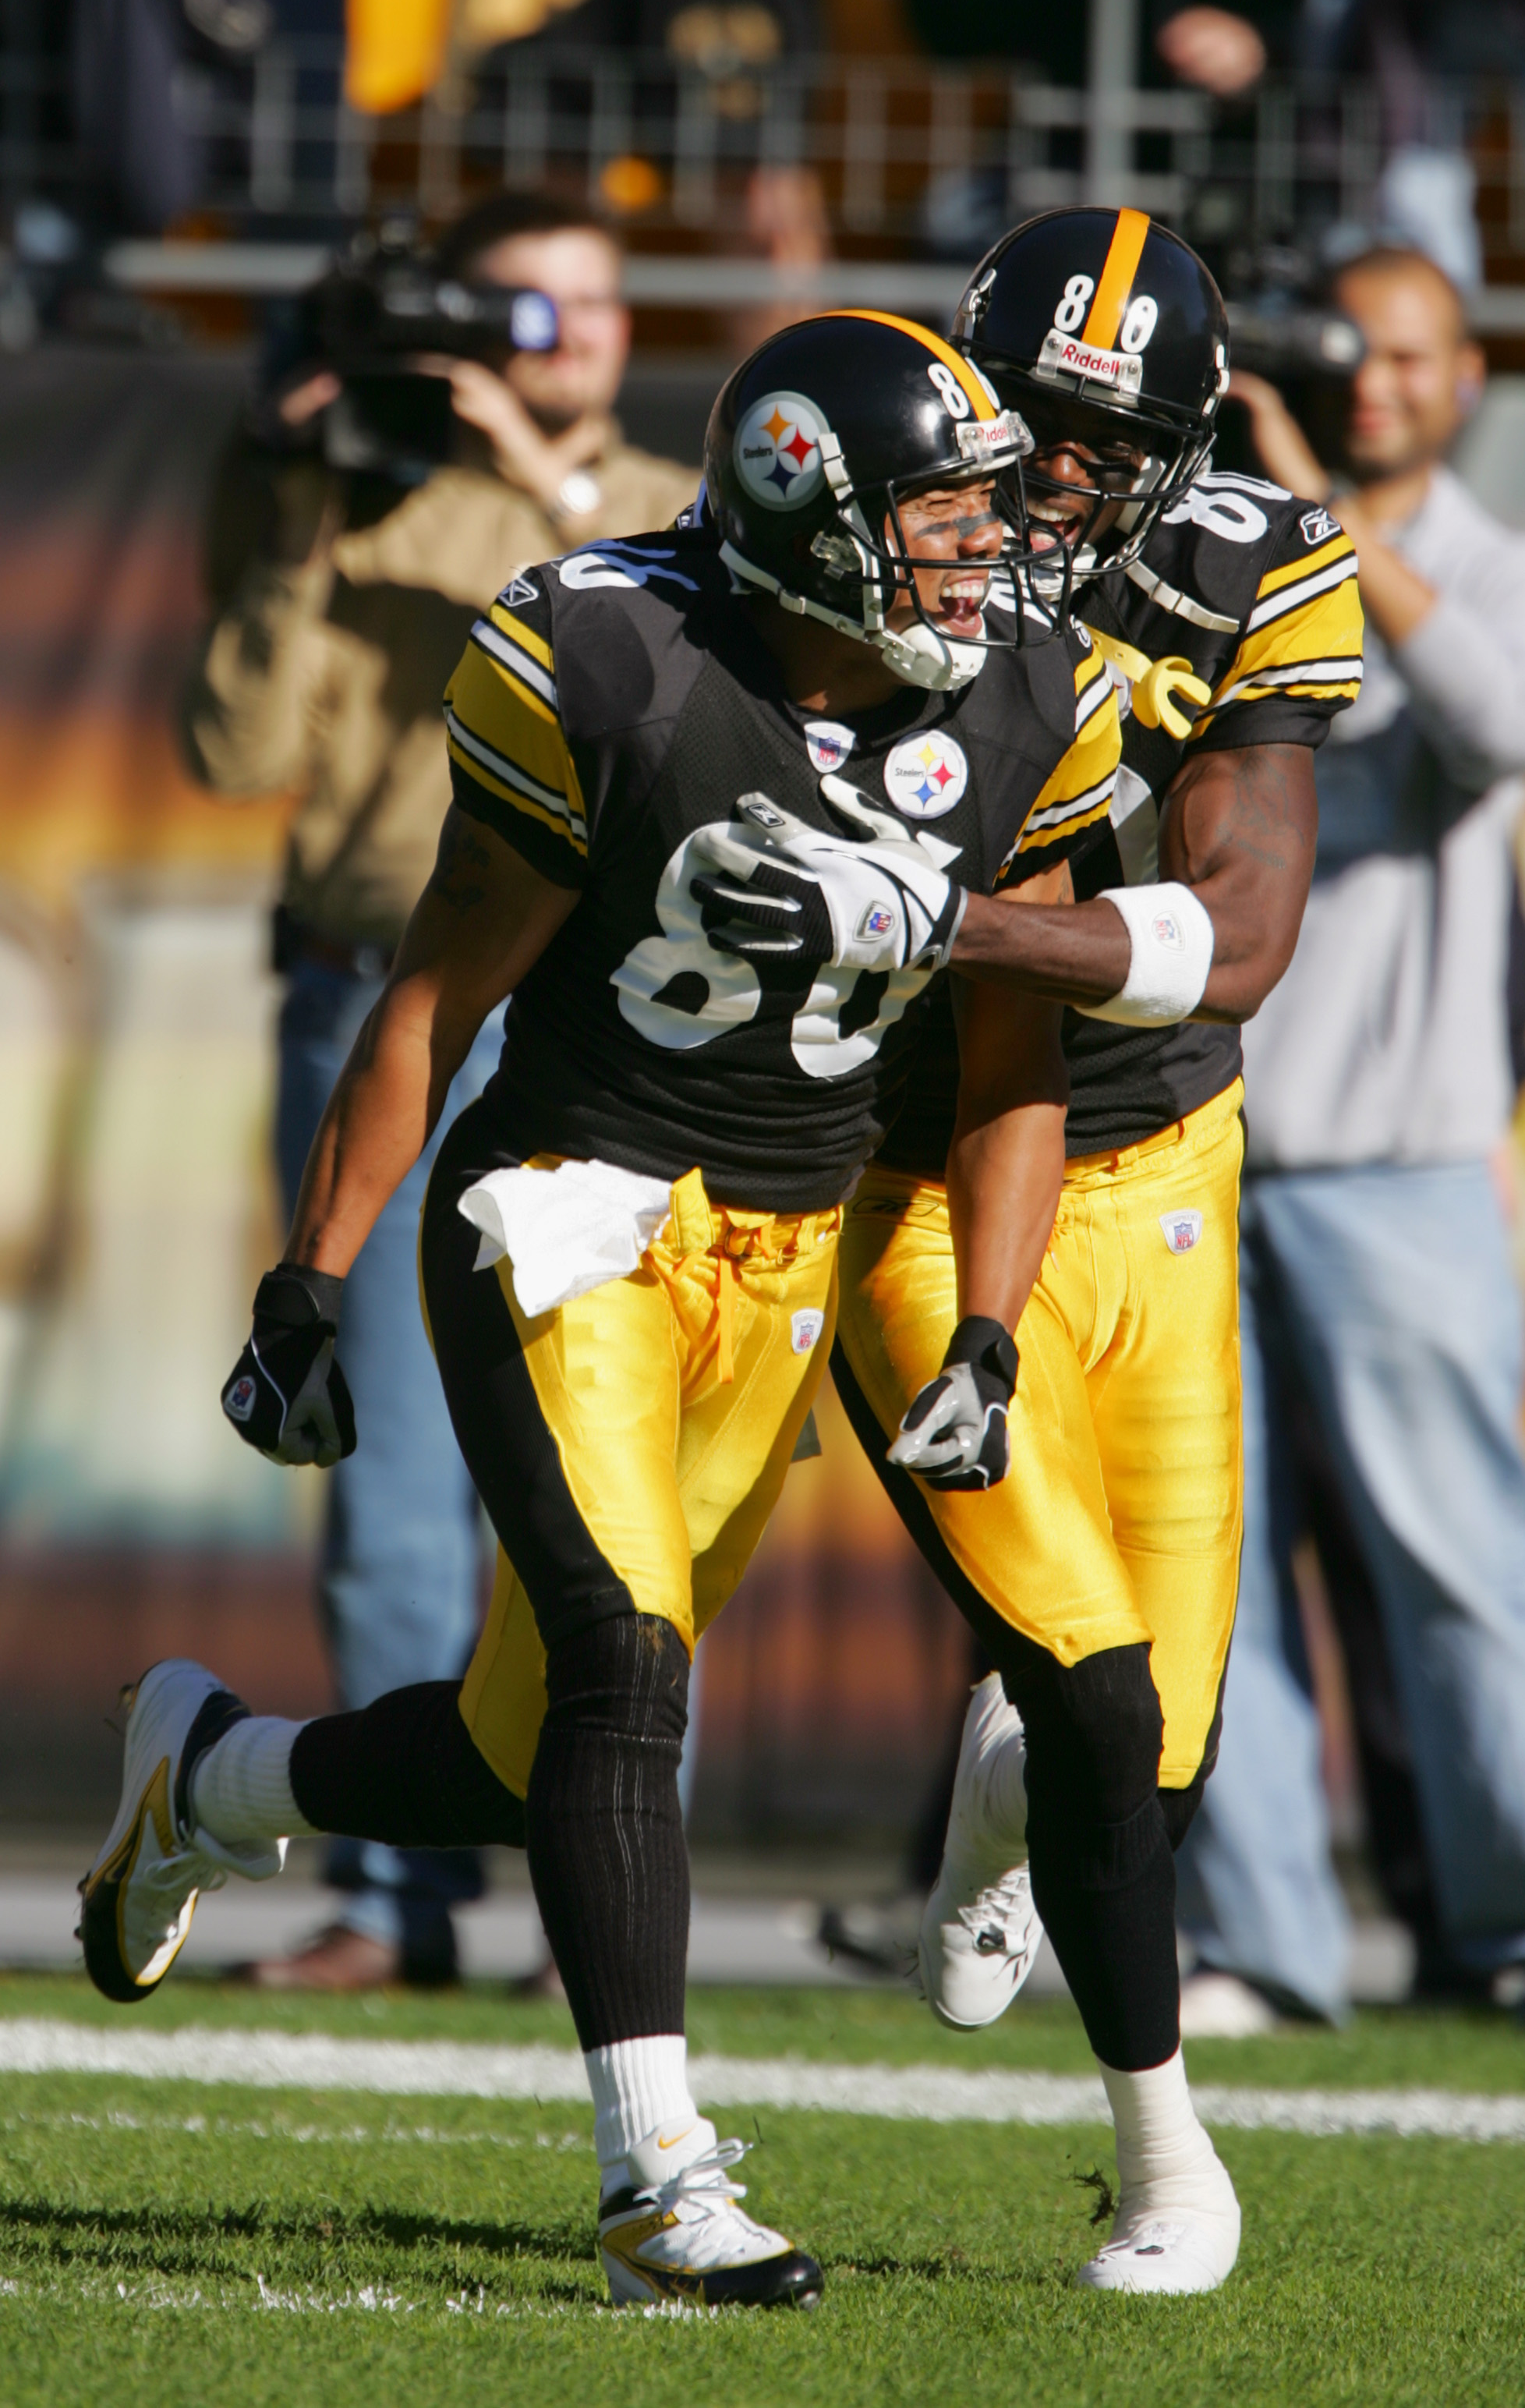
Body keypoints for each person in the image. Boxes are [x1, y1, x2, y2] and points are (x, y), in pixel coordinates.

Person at [83, 307, 1124, 2307]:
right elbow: (434, 995)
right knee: (627, 1674)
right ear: (812, 509)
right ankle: (658, 2177)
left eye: (987, 512)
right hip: (569, 1213)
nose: (982, 552)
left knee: (525, 1750)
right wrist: (307, 1279)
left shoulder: (1026, 696)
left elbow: (1016, 1060)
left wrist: (986, 1328)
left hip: (788, 1252)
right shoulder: (611, 660)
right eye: (940, 514)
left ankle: (206, 1770)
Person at [717, 207, 1362, 2289]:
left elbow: (1231, 949)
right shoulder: (878, 497)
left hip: (1160, 1164)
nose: (1065, 472)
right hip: (916, 1177)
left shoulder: (1256, 560)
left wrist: (957, 917)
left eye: (1112, 435)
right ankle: (1170, 2164)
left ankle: (1006, 1796)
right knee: (1087, 1691)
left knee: (1148, 1747)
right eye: (1040, 427)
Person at [179, 187, 696, 1992]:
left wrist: (537, 488)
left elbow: (690, 710)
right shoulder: (359, 487)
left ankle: (603, 1895)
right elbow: (233, 749)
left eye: (593, 309)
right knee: (389, 1473)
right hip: (378, 1002)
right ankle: (393, 1906)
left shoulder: (666, 508)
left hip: (595, 1022)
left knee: (614, 1460)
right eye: (523, 311)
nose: (564, 344)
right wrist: (304, 503)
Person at [1173, 243, 1525, 2020]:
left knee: (1465, 1566)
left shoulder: (1487, 570)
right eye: (1344, 354)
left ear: (1466, 380)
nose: (1373, 384)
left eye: (1409, 357)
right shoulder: (1219, 560)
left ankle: (1507, 1924)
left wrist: (1324, 522)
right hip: (1196, 1143)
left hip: (1400, 1161)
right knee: (1206, 1572)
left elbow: (1505, 720)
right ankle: (1265, 1941)